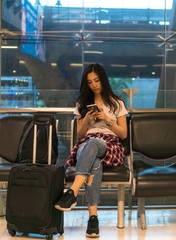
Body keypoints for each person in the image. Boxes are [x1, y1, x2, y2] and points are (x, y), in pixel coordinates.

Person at [54, 63, 128, 238]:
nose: (94, 85)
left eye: (97, 80)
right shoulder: (82, 103)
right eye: (90, 82)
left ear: (103, 80)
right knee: (93, 162)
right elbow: (80, 135)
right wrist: (86, 120)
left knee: (95, 142)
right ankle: (93, 219)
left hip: (109, 145)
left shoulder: (117, 102)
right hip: (85, 145)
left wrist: (108, 120)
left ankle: (72, 192)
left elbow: (123, 134)